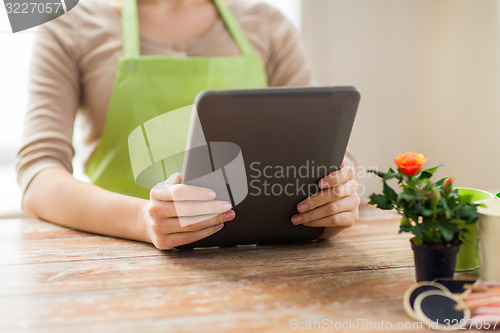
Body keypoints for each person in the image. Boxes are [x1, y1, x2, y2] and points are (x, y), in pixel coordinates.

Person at [16, 0, 360, 250]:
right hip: (119, 258)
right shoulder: (70, 24)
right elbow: (38, 177)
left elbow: (321, 146)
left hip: (259, 262)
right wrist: (142, 220)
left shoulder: (268, 24)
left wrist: (338, 196)